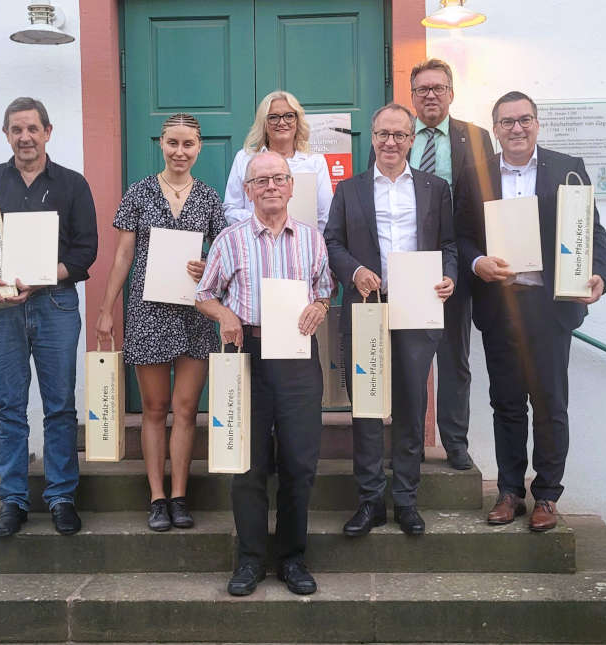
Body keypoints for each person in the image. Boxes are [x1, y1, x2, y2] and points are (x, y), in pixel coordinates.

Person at [456, 91, 606, 532]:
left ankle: (546, 495)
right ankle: (509, 492)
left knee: (549, 403)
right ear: (496, 128)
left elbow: (591, 229)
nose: (517, 128)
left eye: (524, 120)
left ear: (537, 124)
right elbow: (463, 234)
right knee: (505, 403)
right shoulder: (476, 173)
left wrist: (600, 274)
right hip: (500, 306)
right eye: (507, 122)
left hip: (549, 308)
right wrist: (476, 263)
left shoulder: (567, 168)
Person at [0, 97, 98, 537]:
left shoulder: (72, 184)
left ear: (48, 132)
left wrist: (44, 275)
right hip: (0, 310)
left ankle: (61, 496)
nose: (25, 137)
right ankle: (12, 500)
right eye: (16, 130)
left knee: (59, 406)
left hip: (55, 305)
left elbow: (86, 253)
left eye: (32, 128)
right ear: (6, 135)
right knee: (8, 407)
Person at [196, 151, 332, 597]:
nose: (271, 186)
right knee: (247, 465)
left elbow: (325, 292)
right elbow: (204, 295)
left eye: (279, 179)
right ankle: (250, 561)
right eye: (261, 180)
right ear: (248, 190)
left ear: (292, 186)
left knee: (299, 462)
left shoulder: (313, 239)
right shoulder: (230, 240)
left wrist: (318, 307)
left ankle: (292, 559)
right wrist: (225, 316)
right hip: (246, 352)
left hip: (295, 356)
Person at [325, 103, 457, 537]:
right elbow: (333, 242)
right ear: (373, 136)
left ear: (412, 140)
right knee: (366, 406)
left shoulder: (435, 188)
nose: (391, 142)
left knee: (410, 404)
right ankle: (369, 501)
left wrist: (448, 277)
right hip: (367, 307)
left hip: (417, 307)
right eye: (383, 133)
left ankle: (405, 500)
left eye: (400, 135)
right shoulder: (350, 189)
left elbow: (450, 244)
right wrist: (355, 271)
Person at [96, 113, 228, 532]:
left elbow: (223, 259)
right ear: (161, 143)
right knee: (153, 409)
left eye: (188, 144)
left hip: (194, 312)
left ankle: (180, 495)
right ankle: (156, 497)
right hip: (148, 312)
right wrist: (105, 309)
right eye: (173, 143)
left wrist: (206, 266)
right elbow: (122, 257)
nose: (180, 151)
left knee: (186, 410)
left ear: (199, 147)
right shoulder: (138, 193)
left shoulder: (208, 198)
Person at [369, 58, 493, 470]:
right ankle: (408, 443)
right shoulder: (393, 139)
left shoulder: (475, 138)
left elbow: (489, 202)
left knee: (454, 356)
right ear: (412, 95)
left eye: (438, 88)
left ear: (451, 93)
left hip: (454, 264)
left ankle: (454, 441)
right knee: (403, 358)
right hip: (401, 265)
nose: (431, 95)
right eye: (422, 89)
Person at [223, 90, 333, 232]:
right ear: (264, 123)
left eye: (289, 116)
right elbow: (231, 209)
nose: (282, 122)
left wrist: (310, 242)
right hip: (254, 243)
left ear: (297, 121)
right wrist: (266, 221)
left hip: (301, 246)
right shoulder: (244, 158)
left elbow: (325, 215)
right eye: (273, 117)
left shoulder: (315, 162)